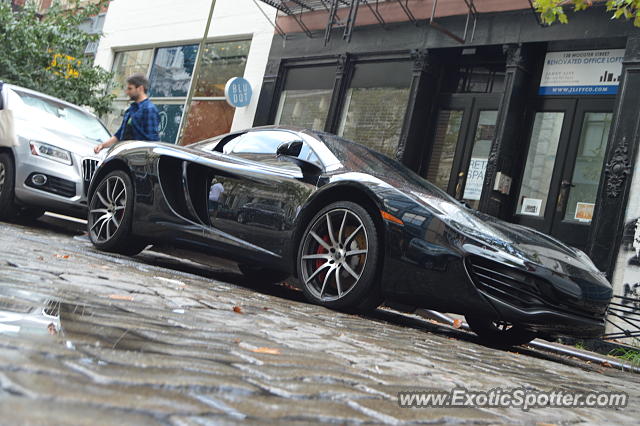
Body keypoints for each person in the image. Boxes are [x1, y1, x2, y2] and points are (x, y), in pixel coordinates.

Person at [94, 73, 159, 154]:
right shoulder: (132, 109)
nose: (127, 92)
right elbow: (120, 134)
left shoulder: (149, 109)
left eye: (130, 88)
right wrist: (102, 145)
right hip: (125, 155)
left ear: (140, 88)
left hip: (138, 158)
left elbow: (152, 140)